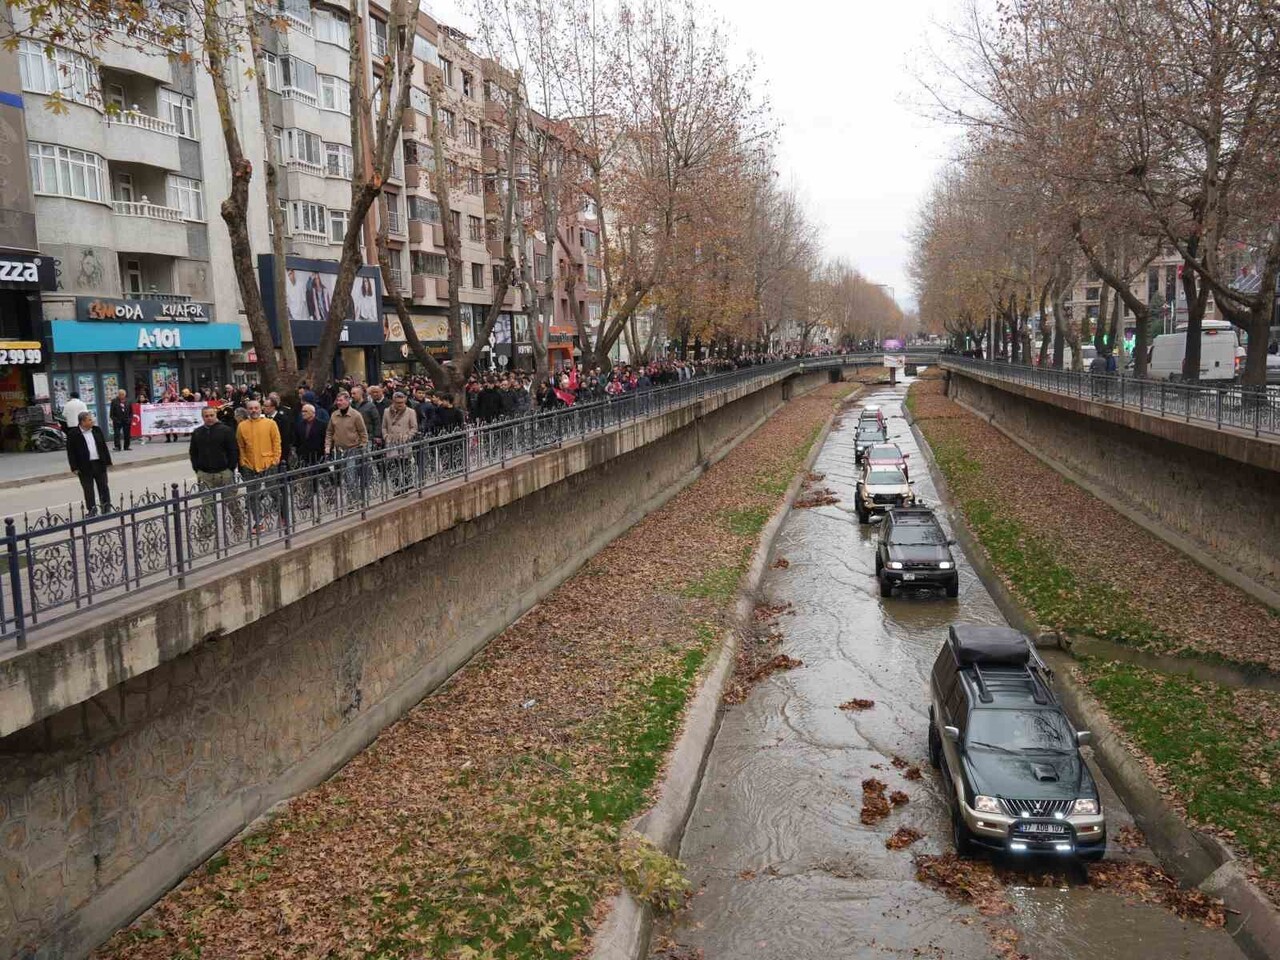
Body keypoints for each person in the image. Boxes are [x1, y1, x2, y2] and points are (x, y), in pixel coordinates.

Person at [189, 405, 240, 532]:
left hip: (224, 472)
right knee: (206, 502)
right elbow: (193, 452)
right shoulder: (197, 432)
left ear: (215, 415)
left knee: (230, 500)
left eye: (211, 415)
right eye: (206, 416)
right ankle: (208, 527)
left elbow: (233, 451)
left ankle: (238, 522)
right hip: (205, 474)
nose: (209, 418)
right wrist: (198, 469)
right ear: (202, 417)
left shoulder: (226, 430)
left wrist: (230, 468)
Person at [236, 399, 281, 534]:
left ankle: (283, 515)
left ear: (260, 409)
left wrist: (275, 459)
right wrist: (243, 462)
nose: (254, 411)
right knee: (252, 495)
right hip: (250, 465)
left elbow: (277, 442)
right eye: (251, 409)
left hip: (268, 463)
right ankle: (258, 521)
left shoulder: (270, 423)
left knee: (273, 491)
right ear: (247, 410)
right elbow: (240, 446)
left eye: (256, 408)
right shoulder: (242, 426)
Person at [66, 411, 112, 515]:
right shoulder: (73, 434)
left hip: (99, 463)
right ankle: (92, 510)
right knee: (88, 489)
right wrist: (74, 467)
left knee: (103, 486)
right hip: (84, 466)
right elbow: (71, 452)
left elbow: (103, 447)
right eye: (90, 419)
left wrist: (108, 461)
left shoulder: (97, 430)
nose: (92, 421)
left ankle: (106, 507)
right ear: (82, 422)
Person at [263, 396, 295, 467]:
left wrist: (283, 456)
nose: (263, 408)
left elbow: (285, 438)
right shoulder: (263, 418)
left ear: (273, 407)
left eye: (266, 406)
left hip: (280, 451)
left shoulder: (283, 419)